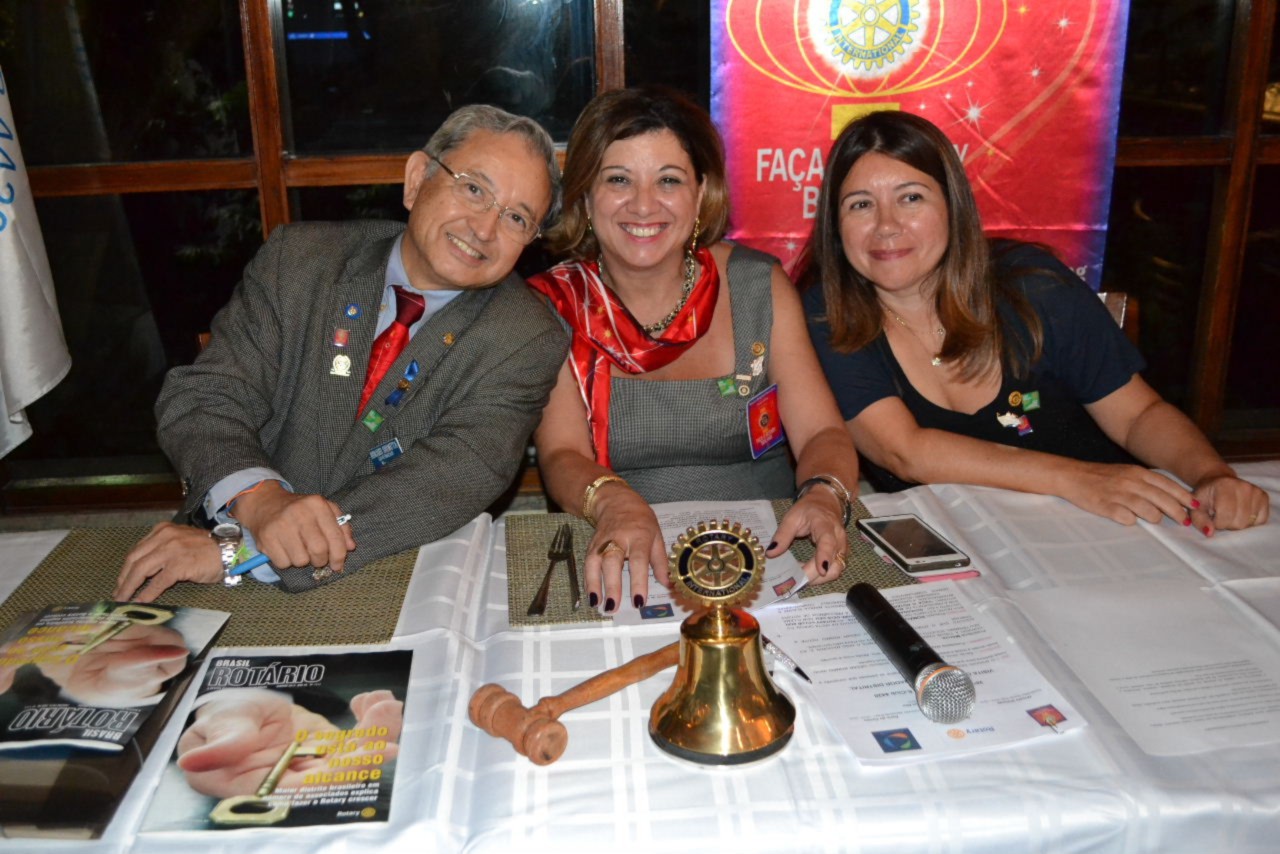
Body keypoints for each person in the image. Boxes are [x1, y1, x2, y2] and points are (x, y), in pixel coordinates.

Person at [115, 105, 569, 601]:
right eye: (474, 189)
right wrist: (259, 501)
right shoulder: (299, 261)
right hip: (203, 554)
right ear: (417, 178)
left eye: (516, 217)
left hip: (380, 579)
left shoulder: (526, 337)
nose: (484, 229)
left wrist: (242, 550)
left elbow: (447, 482)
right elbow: (206, 397)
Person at [804, 110, 1268, 533]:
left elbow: (1137, 416)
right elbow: (903, 452)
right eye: (860, 205)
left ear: (952, 207)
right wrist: (1074, 478)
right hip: (961, 545)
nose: (886, 225)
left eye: (911, 198)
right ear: (835, 226)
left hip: (1106, 524)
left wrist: (1211, 475)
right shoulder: (828, 313)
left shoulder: (1032, 286)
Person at [528, 87, 859, 614]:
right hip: (621, 553)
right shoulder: (555, 306)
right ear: (586, 197)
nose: (643, 205)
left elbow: (822, 432)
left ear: (701, 193)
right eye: (618, 180)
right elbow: (561, 455)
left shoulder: (760, 287)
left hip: (770, 555)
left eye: (669, 180)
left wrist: (823, 493)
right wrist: (615, 503)